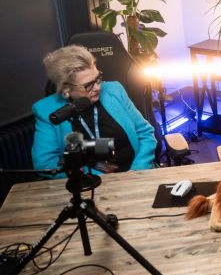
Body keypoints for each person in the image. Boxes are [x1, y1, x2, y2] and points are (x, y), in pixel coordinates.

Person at [32, 45, 157, 177]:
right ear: (66, 89)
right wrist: (96, 177)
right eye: (88, 85)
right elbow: (45, 163)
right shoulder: (47, 111)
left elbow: (146, 133)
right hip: (90, 182)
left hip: (137, 171)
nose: (97, 87)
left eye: (98, 78)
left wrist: (137, 170)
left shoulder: (114, 90)